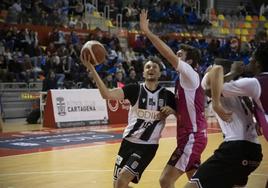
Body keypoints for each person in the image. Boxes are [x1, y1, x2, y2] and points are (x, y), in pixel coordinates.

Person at [80, 53, 176, 188]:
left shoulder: (168, 96)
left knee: (121, 181)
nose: (151, 69)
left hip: (147, 146)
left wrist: (173, 111)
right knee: (117, 185)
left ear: (160, 73)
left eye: (155, 67)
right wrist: (92, 69)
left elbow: (183, 117)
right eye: (148, 67)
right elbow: (107, 95)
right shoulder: (134, 89)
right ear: (143, 72)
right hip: (127, 142)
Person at [140, 10, 207, 188]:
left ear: (190, 62)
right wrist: (174, 111)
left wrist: (147, 32)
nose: (175, 57)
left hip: (192, 137)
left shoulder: (190, 74)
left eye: (180, 55)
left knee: (165, 179)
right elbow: (188, 108)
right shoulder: (183, 80)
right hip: (188, 136)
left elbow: (167, 53)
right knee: (195, 179)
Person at [184, 59, 263, 188]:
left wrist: (215, 103)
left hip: (235, 148)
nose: (208, 70)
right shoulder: (239, 89)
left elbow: (217, 70)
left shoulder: (214, 77)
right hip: (254, 151)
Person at [210, 42, 268, 140]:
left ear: (257, 63)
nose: (249, 60)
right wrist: (259, 120)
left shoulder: (254, 83)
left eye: (252, 58)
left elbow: (214, 89)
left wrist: (233, 72)